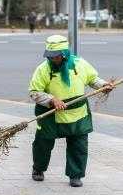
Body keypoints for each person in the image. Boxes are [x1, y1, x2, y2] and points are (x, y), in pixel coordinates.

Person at [28, 35, 114, 187]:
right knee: (43, 143)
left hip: (77, 111)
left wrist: (103, 85)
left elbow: (93, 79)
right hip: (51, 113)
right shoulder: (43, 69)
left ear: (64, 54)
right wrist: (51, 100)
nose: (52, 59)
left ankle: (75, 175)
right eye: (50, 56)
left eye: (55, 56)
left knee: (79, 144)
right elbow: (34, 92)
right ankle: (38, 169)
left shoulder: (80, 64)